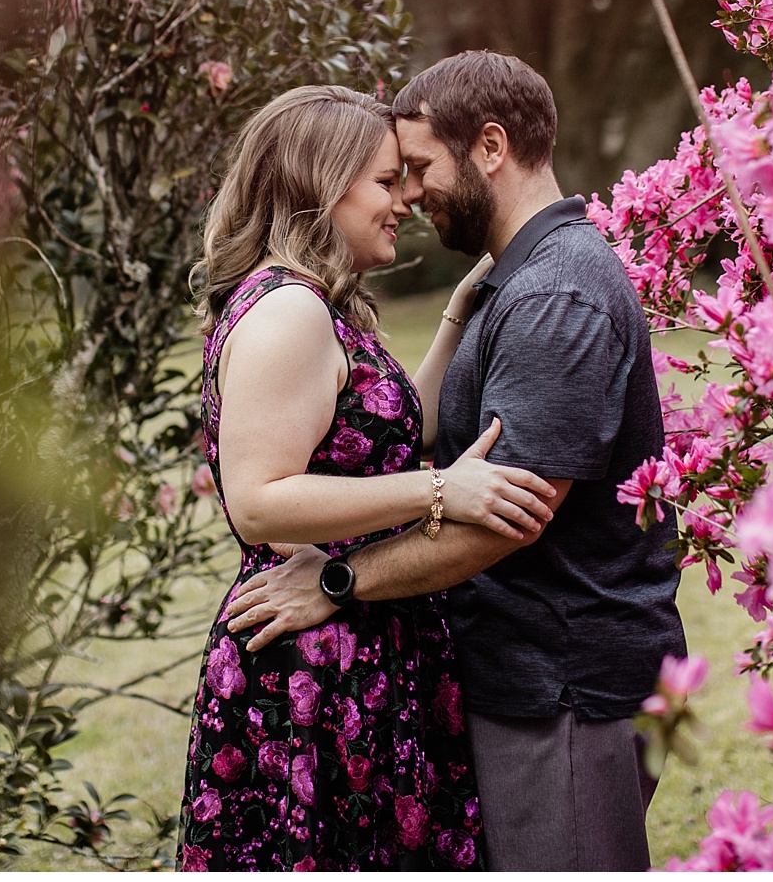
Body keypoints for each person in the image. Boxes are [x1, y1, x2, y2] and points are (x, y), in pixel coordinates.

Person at [224, 52, 687, 871]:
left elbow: (506, 516)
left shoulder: (553, 293)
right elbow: (420, 448)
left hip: (562, 680)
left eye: (419, 167)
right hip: (520, 678)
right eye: (390, 176)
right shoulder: (516, 284)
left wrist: (339, 579)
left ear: (492, 147)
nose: (410, 192)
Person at [178, 84, 559, 871]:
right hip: (311, 668)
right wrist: (441, 490)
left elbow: (379, 438)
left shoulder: (319, 304)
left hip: (357, 642)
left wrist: (459, 313)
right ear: (324, 184)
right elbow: (258, 500)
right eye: (387, 181)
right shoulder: (289, 311)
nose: (405, 201)